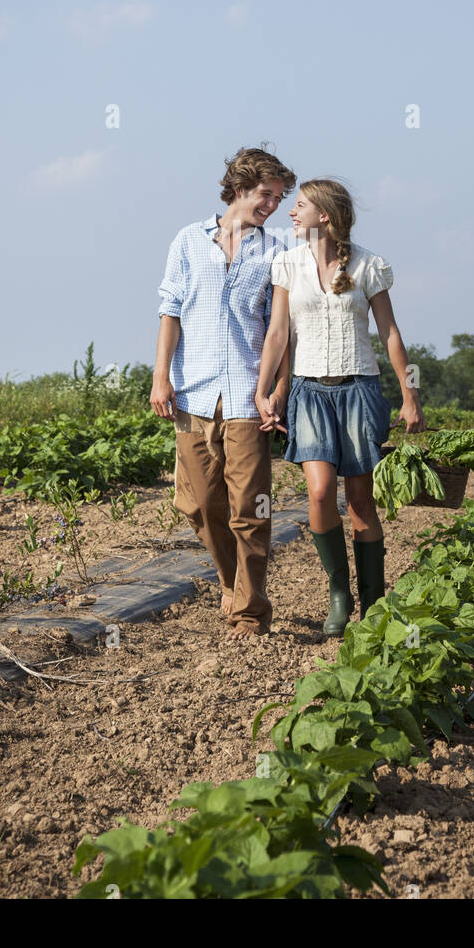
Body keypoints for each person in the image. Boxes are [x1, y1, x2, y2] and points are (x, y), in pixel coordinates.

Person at [255, 178, 427, 636]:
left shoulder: (369, 265)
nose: (291, 213)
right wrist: (266, 388)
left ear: (325, 215)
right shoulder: (287, 265)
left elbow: (390, 332)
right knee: (317, 492)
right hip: (309, 393)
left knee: (359, 502)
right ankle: (339, 592)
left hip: (360, 389)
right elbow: (277, 334)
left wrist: (410, 395)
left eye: (301, 206)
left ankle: (372, 599)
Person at [150, 145, 296, 638]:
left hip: (246, 398)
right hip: (192, 394)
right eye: (265, 194)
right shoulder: (189, 241)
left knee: (251, 508)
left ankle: (249, 613)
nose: (272, 205)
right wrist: (160, 376)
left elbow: (282, 330)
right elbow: (170, 312)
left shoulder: (277, 251)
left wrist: (278, 389)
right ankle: (233, 585)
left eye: (278, 198)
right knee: (200, 505)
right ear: (238, 188)